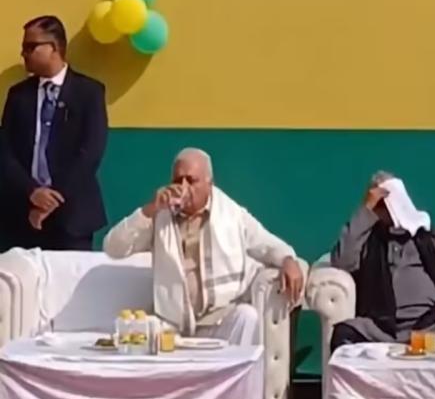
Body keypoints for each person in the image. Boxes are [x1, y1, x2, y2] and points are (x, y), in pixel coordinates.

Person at [103, 148, 305, 346]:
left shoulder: (231, 214)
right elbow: (113, 248)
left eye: (191, 180)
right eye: (178, 180)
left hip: (217, 319)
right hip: (173, 324)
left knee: (246, 317)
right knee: (137, 334)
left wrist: (288, 260)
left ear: (209, 183)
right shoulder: (160, 216)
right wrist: (149, 210)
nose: (183, 187)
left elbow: (267, 244)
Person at [0, 16, 108, 251]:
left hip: (72, 218)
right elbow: (5, 152)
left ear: (54, 47)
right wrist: (32, 192)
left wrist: (51, 199)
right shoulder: (18, 95)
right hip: (23, 215)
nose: (24, 54)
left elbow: (90, 153)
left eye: (31, 47)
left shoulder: (88, 92)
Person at [329, 171, 435, 351]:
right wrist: (366, 210)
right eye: (379, 204)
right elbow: (341, 261)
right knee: (343, 334)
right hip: (380, 328)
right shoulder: (366, 238)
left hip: (430, 325)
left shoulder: (432, 238)